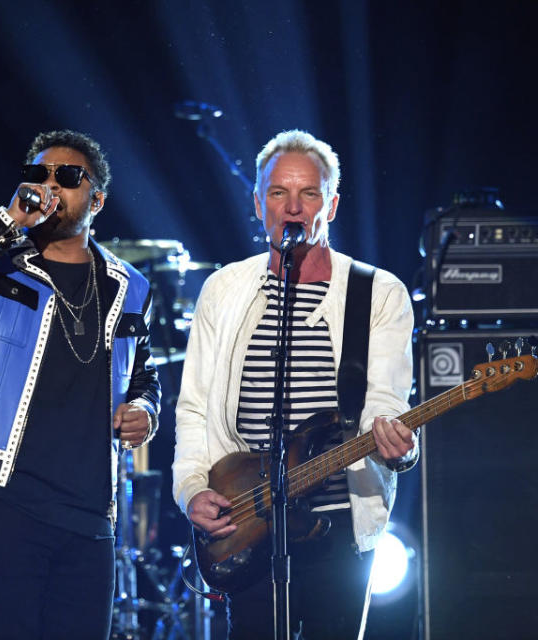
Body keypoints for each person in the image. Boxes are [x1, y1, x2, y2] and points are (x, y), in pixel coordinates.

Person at [0, 129, 161, 639]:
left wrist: (147, 409)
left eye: (67, 176)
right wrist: (7, 222)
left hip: (88, 511)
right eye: (38, 174)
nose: (49, 185)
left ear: (97, 198)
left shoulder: (131, 286)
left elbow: (144, 372)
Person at [172, 129, 419, 639]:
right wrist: (192, 489)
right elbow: (194, 407)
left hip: (337, 527)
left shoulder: (378, 293)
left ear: (330, 205)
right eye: (279, 193)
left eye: (309, 193)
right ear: (258, 202)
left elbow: (386, 406)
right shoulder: (223, 290)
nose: (293, 207)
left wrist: (399, 449)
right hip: (248, 519)